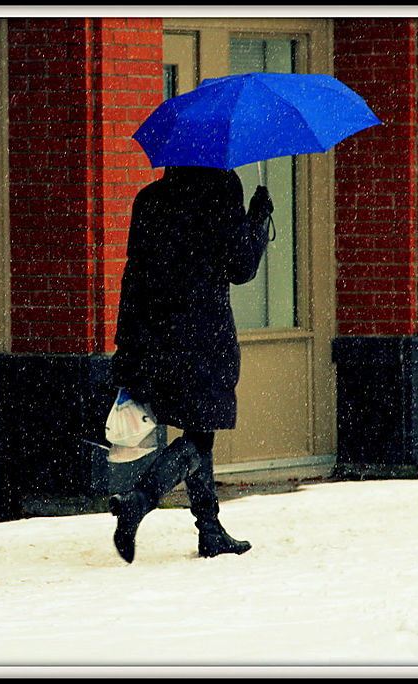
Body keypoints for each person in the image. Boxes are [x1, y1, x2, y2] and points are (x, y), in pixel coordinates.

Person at [109, 165, 274, 564]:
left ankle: (210, 529)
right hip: (203, 335)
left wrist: (127, 344)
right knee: (199, 437)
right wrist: (258, 216)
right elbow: (242, 267)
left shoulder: (148, 200)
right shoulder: (221, 188)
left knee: (199, 428)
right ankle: (139, 500)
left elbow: (133, 278)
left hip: (157, 336)